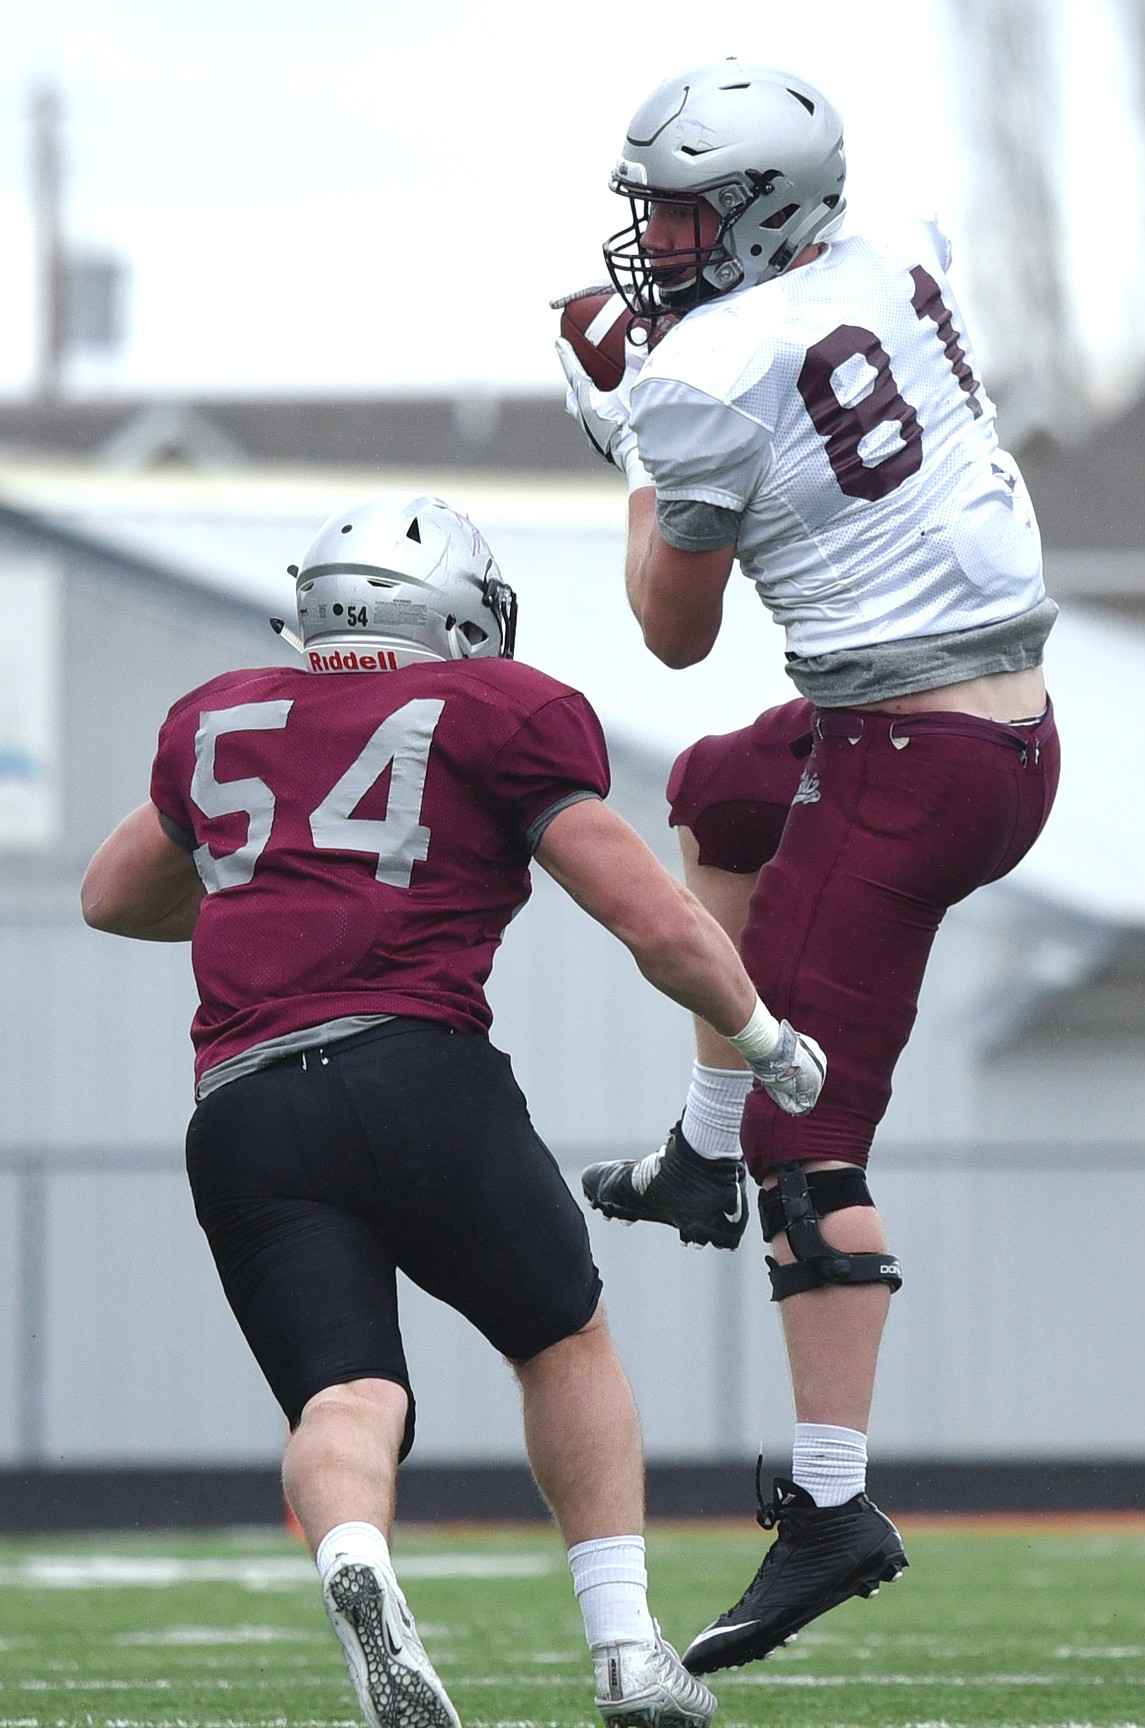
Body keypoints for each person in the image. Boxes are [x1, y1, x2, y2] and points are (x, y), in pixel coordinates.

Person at [80, 493, 828, 1728]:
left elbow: (116, 896)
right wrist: (765, 1039)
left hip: (245, 1107)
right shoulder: (498, 707)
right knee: (563, 1339)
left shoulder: (222, 714)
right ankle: (626, 1650)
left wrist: (279, 885)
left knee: (348, 1396)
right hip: (416, 1073)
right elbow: (652, 920)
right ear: (454, 613)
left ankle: (357, 1563)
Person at [555, 58, 1061, 1675]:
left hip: (918, 759)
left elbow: (675, 629)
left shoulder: (700, 369)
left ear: (766, 209)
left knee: (813, 1126)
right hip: (985, 721)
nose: (660, 237)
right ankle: (697, 1152)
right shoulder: (895, 234)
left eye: (689, 209)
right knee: (718, 793)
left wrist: (632, 446)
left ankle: (833, 1500)